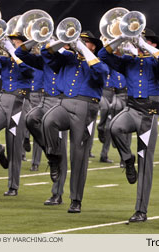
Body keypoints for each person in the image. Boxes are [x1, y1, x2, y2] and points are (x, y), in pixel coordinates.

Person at [98, 28, 159, 222]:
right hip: (132, 109)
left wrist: (143, 44)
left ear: (153, 44)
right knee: (114, 127)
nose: (140, 41)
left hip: (150, 114)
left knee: (146, 162)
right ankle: (127, 159)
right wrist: (121, 38)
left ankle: (141, 210)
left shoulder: (156, 62)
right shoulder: (128, 61)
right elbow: (103, 54)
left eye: (147, 40)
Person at [41, 31, 108, 213]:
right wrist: (64, 41)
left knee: (78, 155)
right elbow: (45, 53)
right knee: (48, 121)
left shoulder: (97, 61)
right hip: (64, 102)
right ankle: (54, 157)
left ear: (93, 46)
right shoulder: (68, 58)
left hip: (85, 107)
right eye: (80, 41)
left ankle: (76, 199)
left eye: (86, 42)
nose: (81, 43)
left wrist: (83, 50)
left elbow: (101, 73)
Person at [15, 38, 69, 205]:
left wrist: (65, 45)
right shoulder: (44, 60)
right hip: (45, 101)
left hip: (62, 103)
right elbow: (20, 53)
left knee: (60, 146)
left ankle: (57, 193)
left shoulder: (70, 60)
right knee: (30, 118)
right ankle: (50, 154)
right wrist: (36, 39)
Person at [0, 32, 34, 196]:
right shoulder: (4, 60)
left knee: (14, 144)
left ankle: (13, 186)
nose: (13, 44)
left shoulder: (29, 59)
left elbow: (29, 72)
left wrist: (13, 51)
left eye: (17, 42)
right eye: (12, 42)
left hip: (19, 101)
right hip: (2, 98)